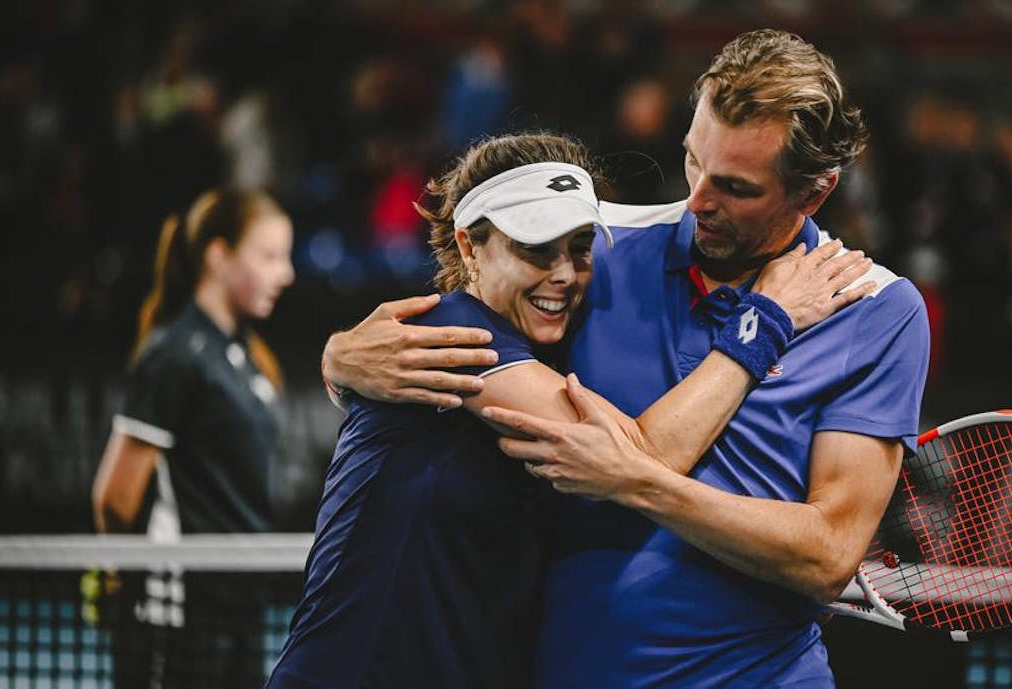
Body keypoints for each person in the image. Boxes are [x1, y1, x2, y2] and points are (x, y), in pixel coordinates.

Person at [323, 30, 930, 688]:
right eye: (694, 161)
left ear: (813, 193)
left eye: (735, 187)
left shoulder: (875, 309)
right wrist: (340, 359)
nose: (696, 201)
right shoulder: (592, 250)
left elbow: (828, 554)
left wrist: (638, 482)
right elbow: (471, 310)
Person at [91, 188, 295, 688]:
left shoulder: (244, 356)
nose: (285, 273)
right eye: (268, 257)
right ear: (218, 257)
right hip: (176, 612)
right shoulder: (174, 356)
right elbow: (115, 499)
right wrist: (127, 576)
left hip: (238, 608)